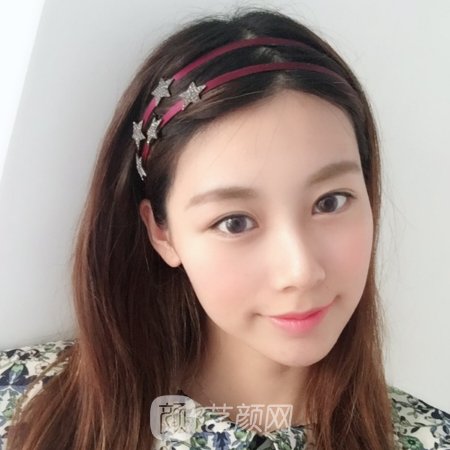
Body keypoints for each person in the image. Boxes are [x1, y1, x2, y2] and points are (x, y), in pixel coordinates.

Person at [2, 7, 449, 450]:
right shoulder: (21, 407)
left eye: (330, 202)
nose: (300, 271)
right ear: (162, 233)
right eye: (235, 222)